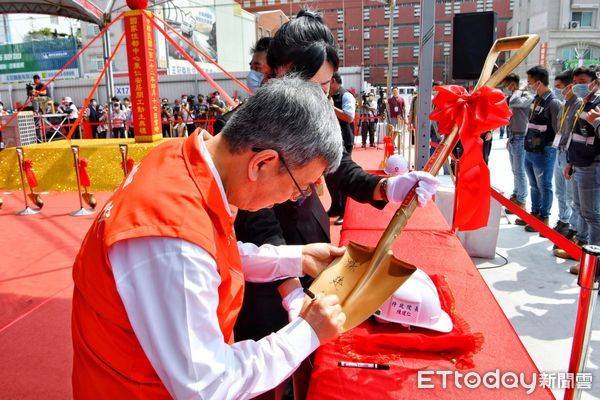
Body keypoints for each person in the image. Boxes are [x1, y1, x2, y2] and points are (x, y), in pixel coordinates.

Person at [71, 76, 348, 398]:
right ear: (262, 163)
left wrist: (295, 258)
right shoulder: (171, 240)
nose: (292, 199)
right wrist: (307, 332)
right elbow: (208, 386)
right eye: (299, 188)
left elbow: (212, 253)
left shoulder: (179, 157)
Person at [230, 11, 438, 400]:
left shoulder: (316, 111)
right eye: (312, 85)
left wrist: (388, 187)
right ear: (277, 72)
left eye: (326, 86)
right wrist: (289, 290)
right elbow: (257, 224)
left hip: (308, 251)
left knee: (311, 370)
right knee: (265, 372)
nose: (320, 96)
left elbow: (341, 168)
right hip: (267, 272)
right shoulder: (247, 131)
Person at [515, 66, 562, 232]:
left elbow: (559, 131)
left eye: (530, 83)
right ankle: (534, 213)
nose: (528, 86)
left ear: (539, 82)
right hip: (530, 149)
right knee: (533, 185)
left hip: (544, 151)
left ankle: (544, 217)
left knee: (544, 185)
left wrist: (550, 150)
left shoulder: (553, 103)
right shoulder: (536, 100)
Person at [563, 67, 600, 275]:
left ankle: (594, 264)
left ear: (594, 82)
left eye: (583, 81)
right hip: (578, 163)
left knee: (592, 215)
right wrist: (570, 161)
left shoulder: (598, 105)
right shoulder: (584, 103)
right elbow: (574, 135)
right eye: (575, 81)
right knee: (580, 209)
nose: (577, 84)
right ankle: (582, 251)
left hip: (591, 165)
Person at [551, 71, 581, 252]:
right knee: (560, 192)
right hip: (559, 151)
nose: (558, 91)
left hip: (571, 155)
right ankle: (563, 221)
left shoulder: (579, 105)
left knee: (572, 197)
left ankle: (574, 230)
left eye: (560, 87)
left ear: (571, 86)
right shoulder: (563, 106)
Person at [502, 73, 534, 214]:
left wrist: (519, 90)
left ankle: (521, 200)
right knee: (515, 170)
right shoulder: (515, 96)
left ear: (513, 84)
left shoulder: (527, 97)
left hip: (522, 137)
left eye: (508, 86)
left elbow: (513, 102)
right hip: (514, 136)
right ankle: (516, 195)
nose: (507, 89)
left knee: (520, 171)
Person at [326, 72, 356, 225]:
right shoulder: (326, 96)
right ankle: (335, 206)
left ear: (333, 81)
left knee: (343, 176)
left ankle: (345, 211)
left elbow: (349, 117)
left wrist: (331, 108)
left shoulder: (346, 96)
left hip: (345, 141)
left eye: (326, 82)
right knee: (329, 176)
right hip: (330, 141)